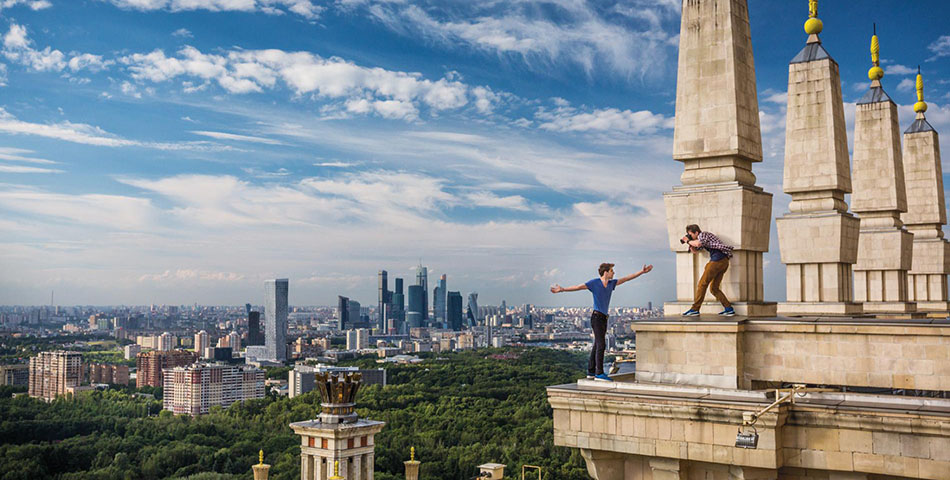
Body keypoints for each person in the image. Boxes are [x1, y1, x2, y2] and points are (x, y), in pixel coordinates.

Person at [551, 263, 653, 381]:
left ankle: (591, 371)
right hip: (596, 318)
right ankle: (599, 373)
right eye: (611, 271)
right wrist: (562, 289)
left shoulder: (611, 284)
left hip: (604, 318)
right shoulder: (594, 283)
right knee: (601, 344)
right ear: (606, 272)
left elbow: (626, 278)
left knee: (597, 344)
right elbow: (578, 287)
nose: (613, 273)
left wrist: (642, 272)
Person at [680, 224, 735, 316]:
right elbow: (695, 251)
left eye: (690, 234)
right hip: (723, 262)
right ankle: (728, 308)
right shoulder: (702, 239)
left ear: (696, 232)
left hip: (717, 261)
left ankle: (695, 309)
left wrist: (688, 240)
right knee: (714, 288)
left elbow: (698, 243)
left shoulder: (703, 234)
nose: (690, 236)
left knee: (702, 284)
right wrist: (690, 244)